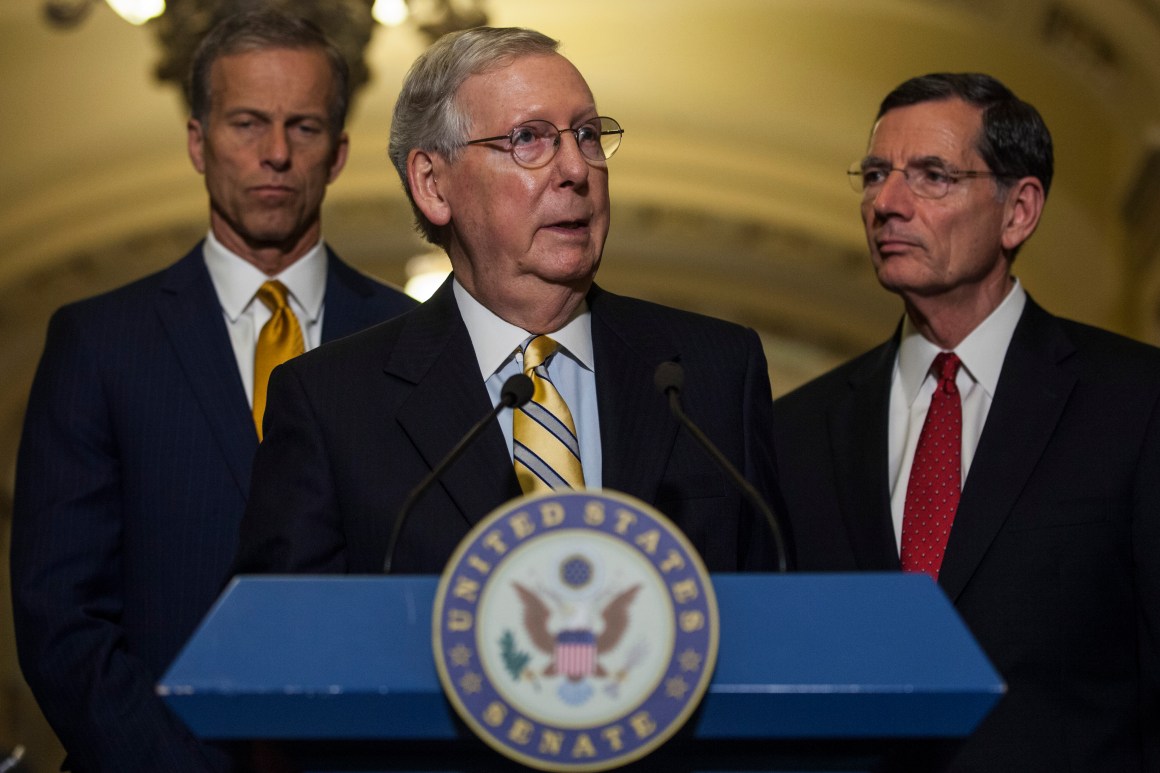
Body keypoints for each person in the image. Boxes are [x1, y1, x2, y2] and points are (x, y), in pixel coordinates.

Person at [9, 11, 415, 772]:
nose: (274, 154)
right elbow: (59, 616)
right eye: (247, 123)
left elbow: (428, 598)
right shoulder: (98, 344)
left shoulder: (413, 340)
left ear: (338, 153)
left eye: (303, 127)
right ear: (198, 142)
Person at [233, 27, 779, 577]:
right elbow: (287, 641)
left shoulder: (714, 373)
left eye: (586, 135)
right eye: (529, 139)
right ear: (433, 185)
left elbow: (779, 617)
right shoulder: (332, 403)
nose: (576, 169)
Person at [772, 73, 1160, 772]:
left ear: (1020, 210)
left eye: (932, 176)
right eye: (874, 175)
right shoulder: (798, 430)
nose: (886, 203)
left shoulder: (1135, 401)